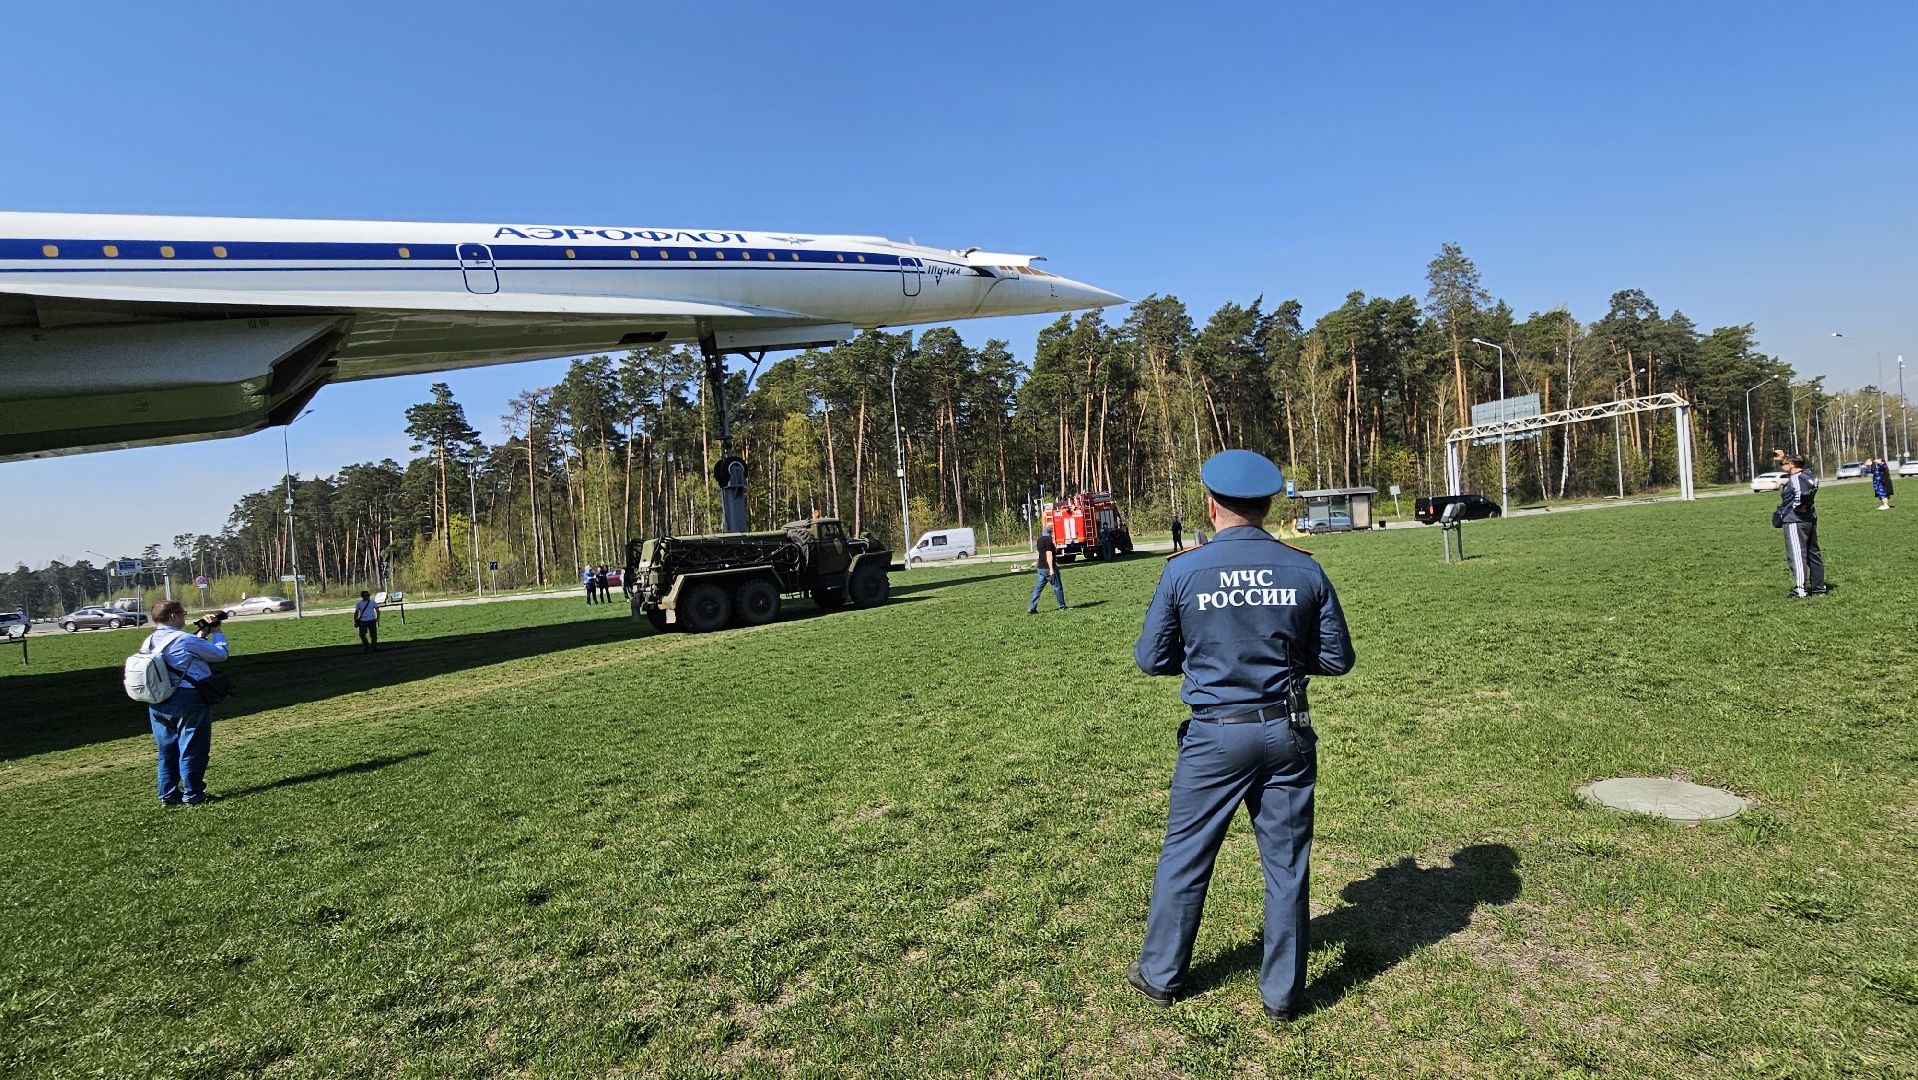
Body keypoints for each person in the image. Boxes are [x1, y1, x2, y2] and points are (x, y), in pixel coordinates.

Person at [1127, 449, 1355, 1022]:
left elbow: (1152, 660)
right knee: (1287, 865)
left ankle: (1161, 974)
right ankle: (1282, 994)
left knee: (1186, 855)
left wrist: (1208, 658)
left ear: (1211, 505)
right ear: (1268, 505)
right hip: (1286, 730)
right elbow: (1337, 658)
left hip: (1214, 736)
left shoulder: (1183, 570)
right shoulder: (1304, 567)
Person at [142, 600, 231, 807]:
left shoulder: (149, 640)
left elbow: (179, 654)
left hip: (158, 700)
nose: (184, 616)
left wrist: (202, 634)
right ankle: (193, 794)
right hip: (187, 699)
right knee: (193, 748)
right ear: (173, 616)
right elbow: (220, 655)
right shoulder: (184, 640)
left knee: (167, 750)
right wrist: (216, 632)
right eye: (182, 613)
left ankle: (168, 794)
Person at [1775, 454, 1827, 598]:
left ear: (1791, 465)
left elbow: (1799, 493)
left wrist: (1799, 506)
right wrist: (1782, 458)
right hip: (1809, 519)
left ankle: (1800, 590)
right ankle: (1818, 587)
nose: (1783, 466)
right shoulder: (1809, 475)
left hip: (1795, 520)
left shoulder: (1796, 478)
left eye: (1785, 463)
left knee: (1797, 555)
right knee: (1813, 554)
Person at [1027, 527, 1067, 613]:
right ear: (1051, 532)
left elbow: (1042, 553)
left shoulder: (1039, 540)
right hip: (1048, 567)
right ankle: (1062, 606)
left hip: (1040, 568)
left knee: (1038, 588)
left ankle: (1032, 607)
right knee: (1057, 587)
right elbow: (1049, 554)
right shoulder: (1048, 541)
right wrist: (1051, 569)